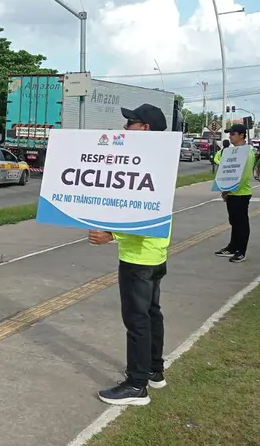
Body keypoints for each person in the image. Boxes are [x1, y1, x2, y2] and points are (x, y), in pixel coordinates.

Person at [89, 103, 171, 406]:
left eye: (130, 123)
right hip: (154, 254)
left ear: (145, 128)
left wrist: (112, 235)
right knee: (151, 313)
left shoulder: (150, 163)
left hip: (140, 257)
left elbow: (148, 212)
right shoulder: (157, 159)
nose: (125, 128)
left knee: (137, 320)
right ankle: (153, 370)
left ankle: (136, 385)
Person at [215, 123, 255, 263]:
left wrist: (229, 189)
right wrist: (224, 188)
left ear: (242, 135)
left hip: (241, 193)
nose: (230, 137)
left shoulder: (247, 152)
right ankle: (232, 247)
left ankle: (241, 251)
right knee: (233, 221)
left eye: (233, 134)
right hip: (231, 193)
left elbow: (244, 175)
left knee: (241, 223)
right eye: (229, 134)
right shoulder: (232, 151)